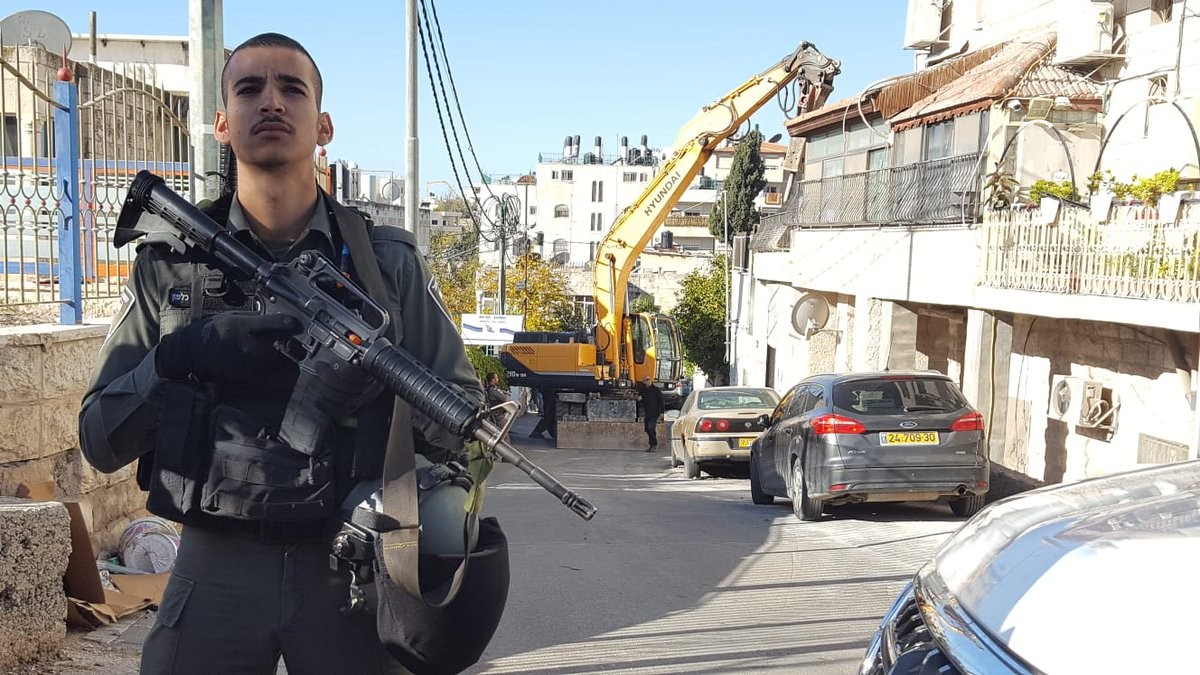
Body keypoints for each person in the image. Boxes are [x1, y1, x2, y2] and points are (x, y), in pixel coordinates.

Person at [77, 33, 483, 675]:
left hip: (349, 564)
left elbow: (466, 420)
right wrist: (178, 357)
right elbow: (98, 440)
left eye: (292, 89)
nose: (271, 101)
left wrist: (384, 387)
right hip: (215, 565)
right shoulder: (170, 264)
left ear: (323, 127)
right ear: (222, 123)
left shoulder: (386, 265)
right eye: (250, 89)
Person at [636, 375, 664, 452]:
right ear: (644, 382)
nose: (647, 381)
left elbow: (661, 401)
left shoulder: (656, 390)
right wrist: (639, 398)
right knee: (647, 429)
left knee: (651, 428)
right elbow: (639, 399)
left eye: (648, 379)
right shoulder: (643, 390)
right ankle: (652, 444)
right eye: (646, 380)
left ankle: (654, 444)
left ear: (651, 380)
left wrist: (662, 412)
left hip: (655, 412)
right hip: (647, 412)